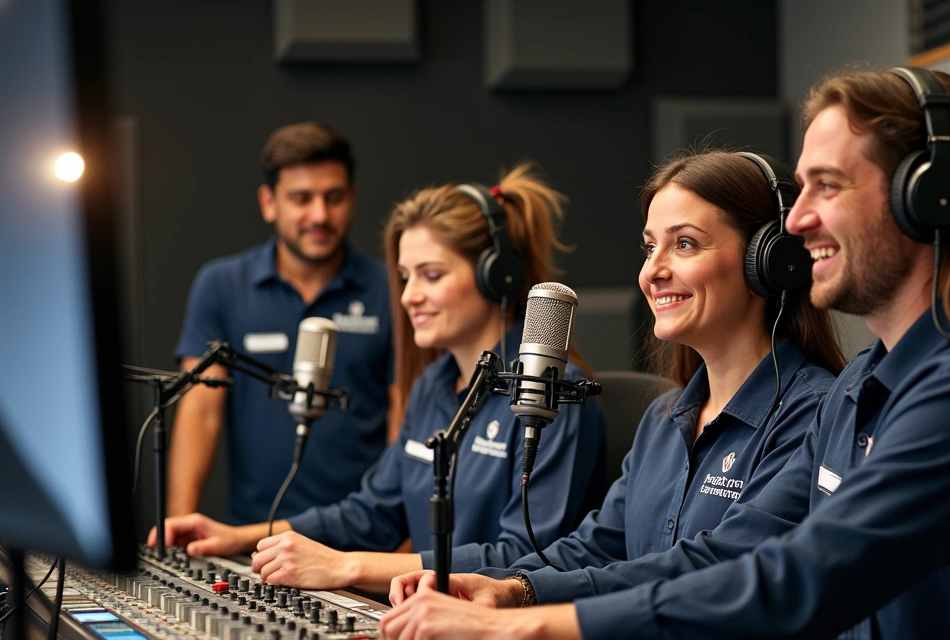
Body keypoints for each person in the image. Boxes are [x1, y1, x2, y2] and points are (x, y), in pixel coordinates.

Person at [377, 67, 950, 639]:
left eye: (827, 186)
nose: (799, 221)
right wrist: (517, 593)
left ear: (927, 195)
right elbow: (724, 560)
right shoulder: (863, 388)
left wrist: (528, 628)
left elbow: (805, 579)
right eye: (798, 190)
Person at [390, 149, 845, 595]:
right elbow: (598, 545)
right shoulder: (665, 417)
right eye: (650, 247)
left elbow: (711, 570)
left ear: (768, 262)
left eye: (684, 243)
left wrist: (521, 593)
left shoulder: (817, 415)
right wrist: (497, 584)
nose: (652, 272)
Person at [154, 164, 609, 593]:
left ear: (496, 277)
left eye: (431, 276)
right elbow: (371, 513)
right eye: (405, 276)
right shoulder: (435, 384)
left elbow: (523, 556)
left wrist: (346, 567)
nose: (410, 297)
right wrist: (237, 537)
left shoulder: (556, 400)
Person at [167, 122, 398, 526]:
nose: (320, 215)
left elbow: (404, 412)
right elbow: (201, 410)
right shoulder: (222, 284)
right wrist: (179, 525)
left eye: (334, 197)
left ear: (353, 200)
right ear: (269, 202)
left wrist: (401, 532)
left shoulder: (393, 289)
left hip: (359, 543)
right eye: (301, 198)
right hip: (250, 542)